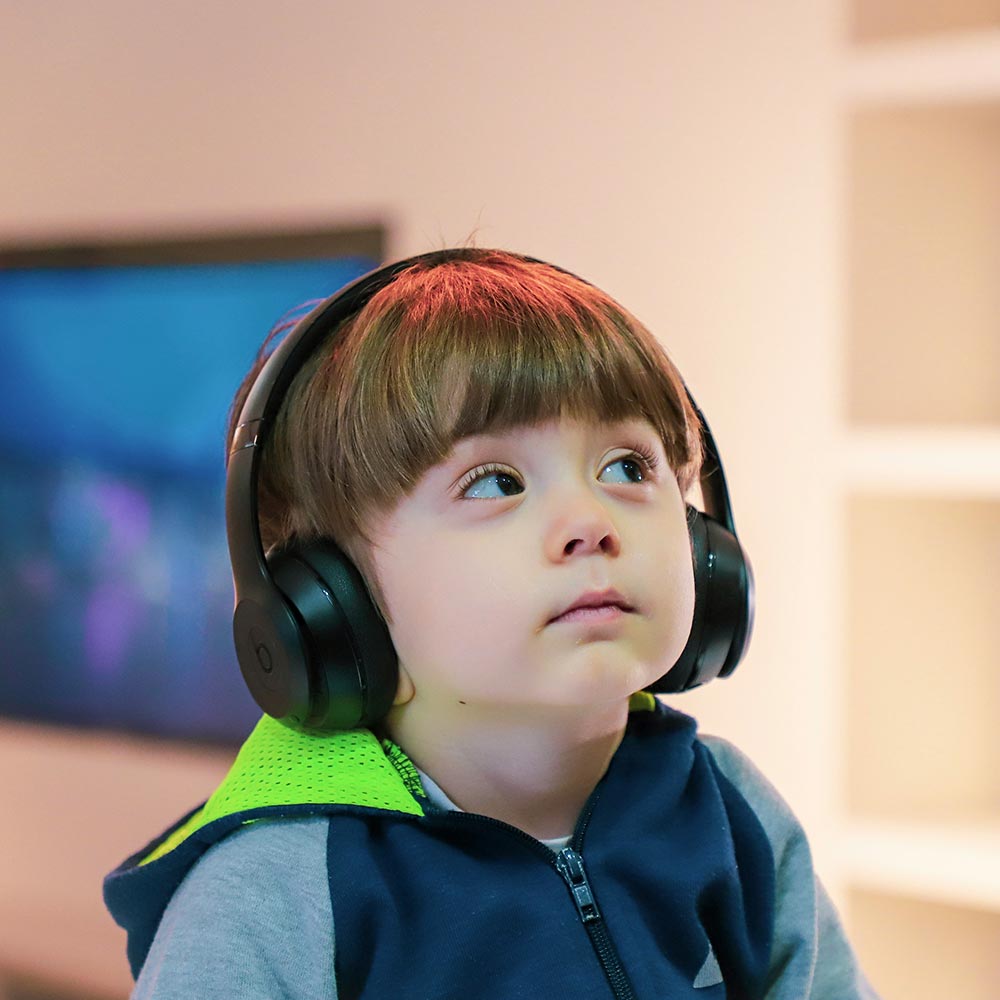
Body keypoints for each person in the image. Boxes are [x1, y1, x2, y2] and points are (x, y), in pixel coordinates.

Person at [104, 248, 879, 999]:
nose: (590, 521)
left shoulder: (729, 812)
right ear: (333, 604)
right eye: (495, 482)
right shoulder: (280, 890)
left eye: (628, 467)